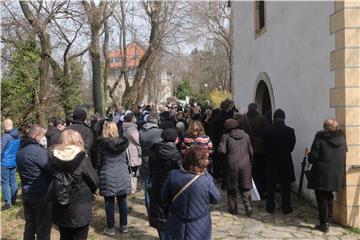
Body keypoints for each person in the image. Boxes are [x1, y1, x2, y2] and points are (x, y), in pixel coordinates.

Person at [161, 145, 220, 240]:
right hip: (200, 224)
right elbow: (216, 199)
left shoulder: (173, 175)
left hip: (177, 221)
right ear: (202, 162)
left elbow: (164, 197)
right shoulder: (207, 179)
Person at [48, 129, 98, 240]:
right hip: (79, 207)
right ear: (78, 141)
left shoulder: (53, 158)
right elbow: (94, 180)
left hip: (60, 204)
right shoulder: (82, 158)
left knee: (64, 236)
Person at [307, 118, 347, 233]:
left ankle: (323, 223)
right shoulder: (342, 140)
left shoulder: (320, 139)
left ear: (324, 128)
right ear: (336, 127)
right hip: (335, 174)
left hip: (321, 174)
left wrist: (310, 154)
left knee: (322, 198)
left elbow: (313, 157)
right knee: (329, 196)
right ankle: (328, 220)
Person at [16, 124, 52, 240]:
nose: (44, 138)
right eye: (42, 136)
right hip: (40, 193)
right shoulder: (38, 152)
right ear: (36, 136)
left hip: (26, 193)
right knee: (43, 227)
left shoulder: (20, 151)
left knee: (30, 225)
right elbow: (50, 170)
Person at [97, 121, 130, 235]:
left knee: (109, 201)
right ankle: (124, 225)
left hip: (107, 173)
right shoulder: (123, 143)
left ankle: (110, 227)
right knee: (122, 200)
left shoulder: (101, 144)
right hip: (122, 172)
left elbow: (98, 162)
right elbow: (126, 159)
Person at [148, 128, 182, 239]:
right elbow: (181, 172)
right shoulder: (176, 154)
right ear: (175, 139)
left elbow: (151, 168)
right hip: (172, 189)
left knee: (159, 215)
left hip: (157, 186)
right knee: (172, 216)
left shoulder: (153, 151)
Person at [262, 109, 296, 214]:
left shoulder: (267, 130)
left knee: (271, 185)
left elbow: (264, 145)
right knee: (286, 186)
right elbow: (291, 146)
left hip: (272, 160)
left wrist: (270, 153)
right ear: (284, 118)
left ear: (274, 118)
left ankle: (270, 206)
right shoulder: (290, 131)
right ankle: (286, 207)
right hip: (285, 160)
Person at [218, 119, 253, 216]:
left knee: (231, 188)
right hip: (245, 164)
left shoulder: (226, 137)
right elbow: (251, 152)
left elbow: (222, 151)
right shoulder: (246, 136)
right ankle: (248, 207)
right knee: (245, 187)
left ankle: (233, 209)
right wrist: (250, 164)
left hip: (231, 165)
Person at [239, 103, 270, 198]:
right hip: (260, 149)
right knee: (262, 170)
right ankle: (263, 191)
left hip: (247, 148)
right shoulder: (262, 119)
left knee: (250, 171)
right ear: (256, 108)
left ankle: (252, 191)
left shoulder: (242, 120)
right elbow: (267, 131)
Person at [139, 112, 163, 211]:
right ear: (157, 121)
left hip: (145, 159)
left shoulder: (141, 132)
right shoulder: (160, 132)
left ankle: (149, 208)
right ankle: (157, 207)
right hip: (157, 160)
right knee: (158, 183)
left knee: (147, 183)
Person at [211, 99, 235, 178]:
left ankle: (217, 174)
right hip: (227, 141)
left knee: (219, 159)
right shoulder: (228, 118)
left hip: (218, 141)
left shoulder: (217, 117)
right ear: (228, 107)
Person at [1, 119, 20, 210]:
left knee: (5, 182)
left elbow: (0, 150)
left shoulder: (5, 137)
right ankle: (13, 199)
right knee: (13, 180)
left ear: (5, 125)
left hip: (5, 162)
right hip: (14, 161)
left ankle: (7, 203)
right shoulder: (18, 135)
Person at [123, 112, 142, 193]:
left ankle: (131, 187)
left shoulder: (126, 127)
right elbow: (138, 140)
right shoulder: (132, 128)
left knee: (130, 170)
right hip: (133, 151)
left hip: (129, 149)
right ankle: (132, 188)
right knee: (133, 170)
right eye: (134, 117)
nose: (136, 119)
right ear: (131, 119)